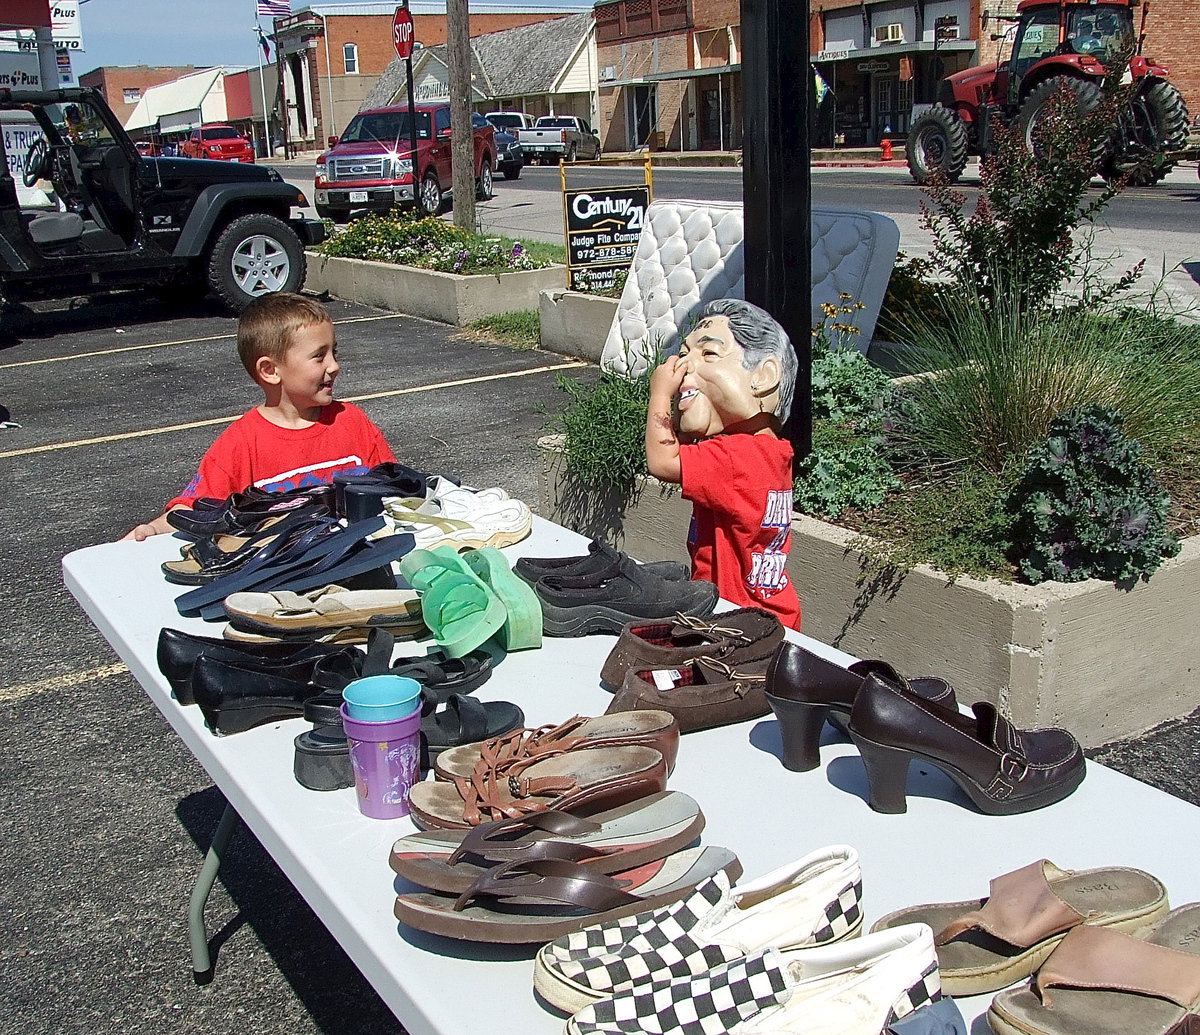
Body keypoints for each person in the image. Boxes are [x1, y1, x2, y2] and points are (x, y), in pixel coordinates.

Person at [123, 293, 395, 541]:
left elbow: (397, 487)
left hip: (359, 558)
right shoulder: (241, 443)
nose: (334, 366)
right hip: (282, 572)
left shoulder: (352, 421)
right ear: (270, 371)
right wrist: (153, 529)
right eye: (319, 356)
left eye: (334, 352)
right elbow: (194, 509)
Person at [644, 298, 802, 629]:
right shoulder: (768, 451)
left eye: (709, 353)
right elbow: (684, 442)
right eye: (685, 353)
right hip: (763, 616)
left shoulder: (734, 458)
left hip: (736, 621)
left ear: (764, 376)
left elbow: (662, 461)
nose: (685, 366)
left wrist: (659, 394)